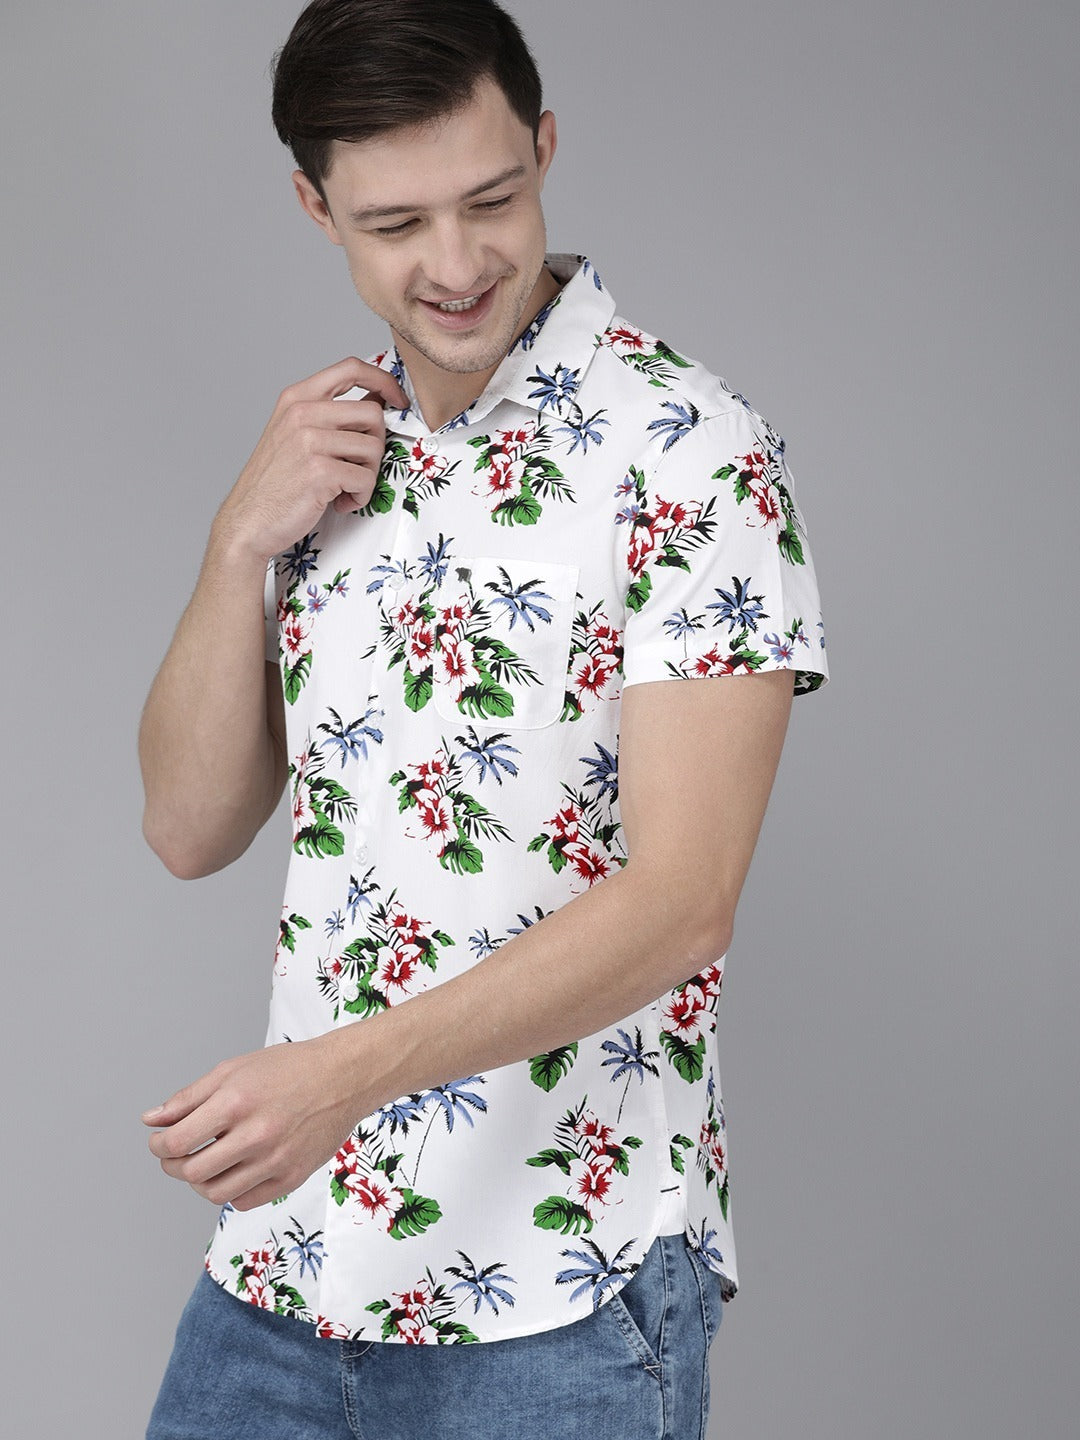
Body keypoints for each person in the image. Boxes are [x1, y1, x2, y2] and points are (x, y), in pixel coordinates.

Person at [138, 2, 828, 1436]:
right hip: (289, 1270)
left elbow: (685, 902)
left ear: (546, 148)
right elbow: (188, 827)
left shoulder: (688, 450)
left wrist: (333, 1081)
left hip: (562, 1292)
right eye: (396, 223)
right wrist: (234, 543)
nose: (455, 266)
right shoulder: (333, 454)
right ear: (315, 207)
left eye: (492, 201)